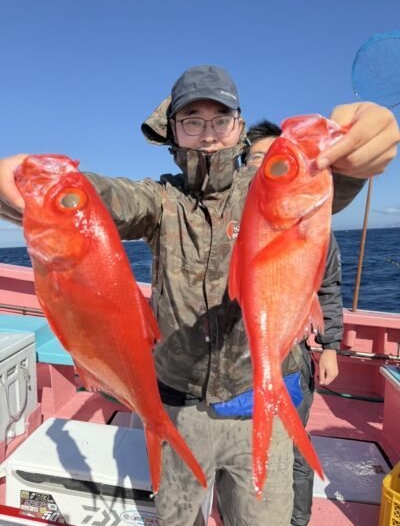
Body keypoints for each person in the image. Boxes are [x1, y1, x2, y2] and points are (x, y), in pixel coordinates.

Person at [0, 65, 398, 526]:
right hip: (178, 403)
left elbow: (307, 191)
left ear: (238, 127)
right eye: (192, 121)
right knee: (177, 517)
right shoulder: (159, 200)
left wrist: (353, 158)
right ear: (173, 131)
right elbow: (100, 200)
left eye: (220, 120)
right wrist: (36, 187)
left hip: (258, 401)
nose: (208, 134)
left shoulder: (262, 188)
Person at [243, 120, 343, 526]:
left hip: (294, 355)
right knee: (244, 445)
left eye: (273, 159)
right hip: (241, 356)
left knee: (295, 448)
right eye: (255, 158)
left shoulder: (312, 220)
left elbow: (328, 286)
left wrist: (330, 347)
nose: (265, 164)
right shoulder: (229, 216)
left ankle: (296, 520)